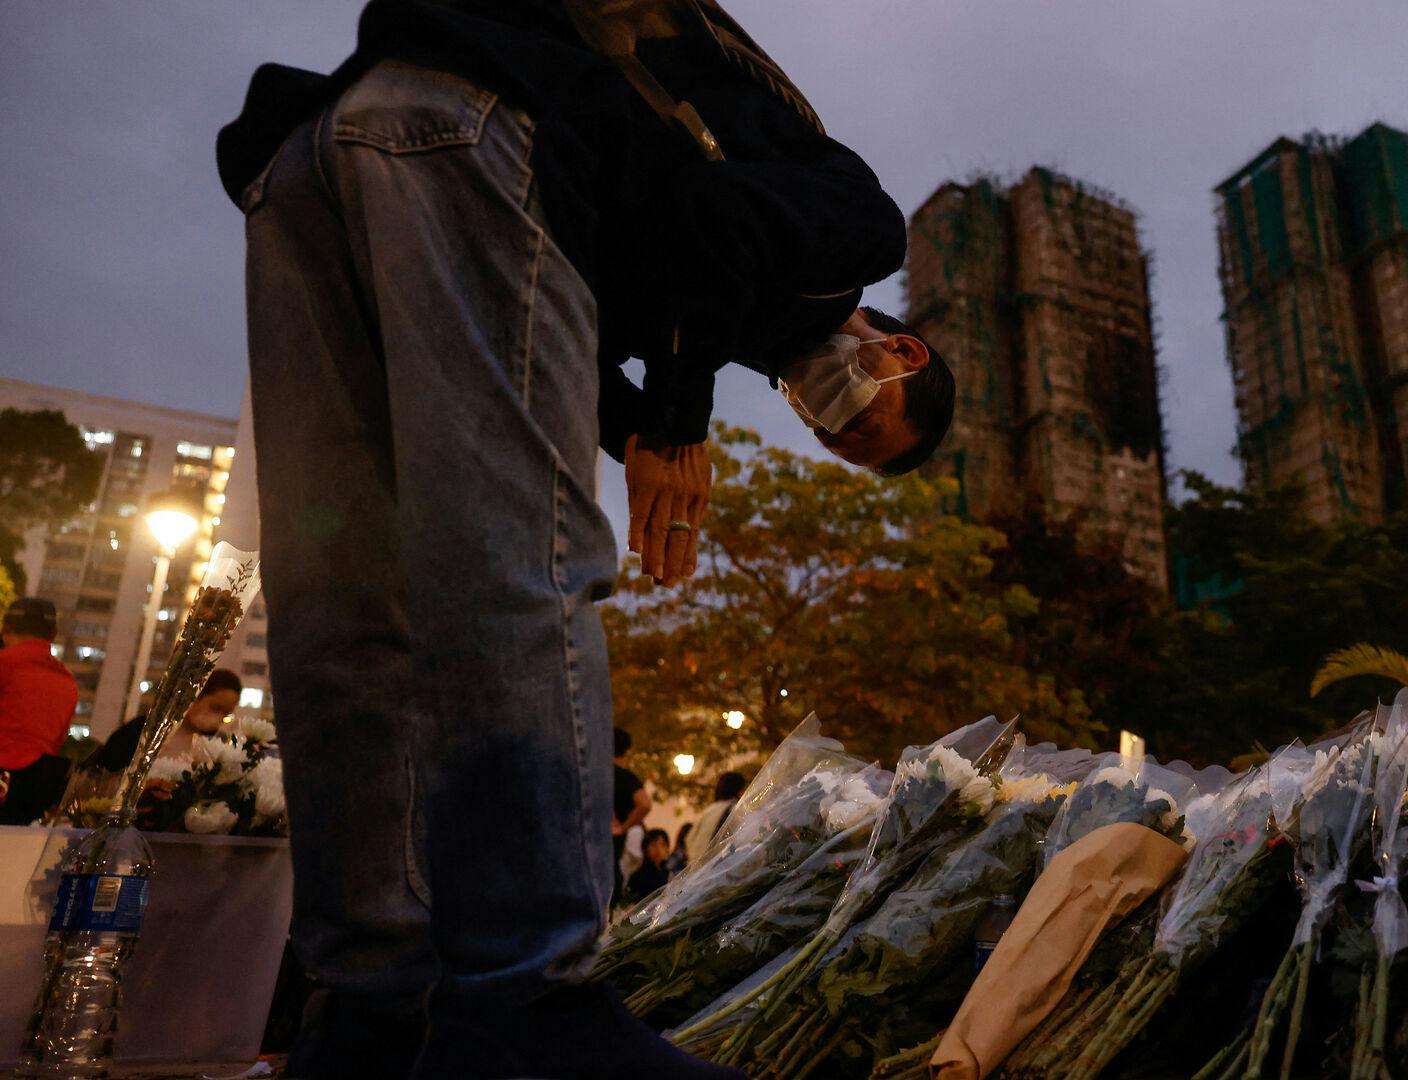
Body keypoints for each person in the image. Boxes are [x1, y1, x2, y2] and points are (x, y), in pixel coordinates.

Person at [215, 1, 952, 1076]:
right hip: (479, 131)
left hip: (318, 158)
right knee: (519, 575)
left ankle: (372, 1005)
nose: (830, 422)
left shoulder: (719, 319)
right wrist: (675, 424)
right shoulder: (860, 235)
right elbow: (716, 221)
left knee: (343, 602)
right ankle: (528, 1002)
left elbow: (570, 340)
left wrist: (644, 425)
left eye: (837, 441)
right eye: (861, 416)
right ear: (904, 352)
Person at [0, 598, 77, 825]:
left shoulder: (4, 663)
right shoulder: (67, 682)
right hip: (33, 797)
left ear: (6, 628)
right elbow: (58, 741)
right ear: (53, 634)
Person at [92, 668, 245, 773]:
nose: (218, 718)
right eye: (215, 707)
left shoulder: (214, 748)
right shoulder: (142, 729)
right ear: (196, 696)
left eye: (226, 713)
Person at [610, 729, 650, 894]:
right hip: (612, 848)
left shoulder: (601, 774)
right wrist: (624, 827)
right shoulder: (625, 777)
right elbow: (645, 804)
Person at [682, 771, 746, 866]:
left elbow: (689, 839)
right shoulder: (735, 809)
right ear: (739, 790)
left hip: (697, 868)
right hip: (718, 868)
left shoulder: (708, 810)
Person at [623, 828, 673, 901]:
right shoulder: (638, 876)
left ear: (667, 849)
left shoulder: (667, 873)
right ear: (645, 848)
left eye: (662, 845)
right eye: (653, 845)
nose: (658, 849)